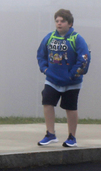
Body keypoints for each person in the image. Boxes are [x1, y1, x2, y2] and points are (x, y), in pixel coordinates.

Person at [36, 9, 91, 146]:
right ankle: (50, 134)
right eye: (57, 21)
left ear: (70, 23)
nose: (59, 24)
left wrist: (72, 75)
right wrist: (45, 69)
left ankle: (72, 137)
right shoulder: (49, 38)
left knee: (70, 108)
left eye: (63, 21)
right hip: (52, 80)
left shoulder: (77, 39)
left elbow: (84, 59)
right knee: (47, 103)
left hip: (72, 83)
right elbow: (40, 54)